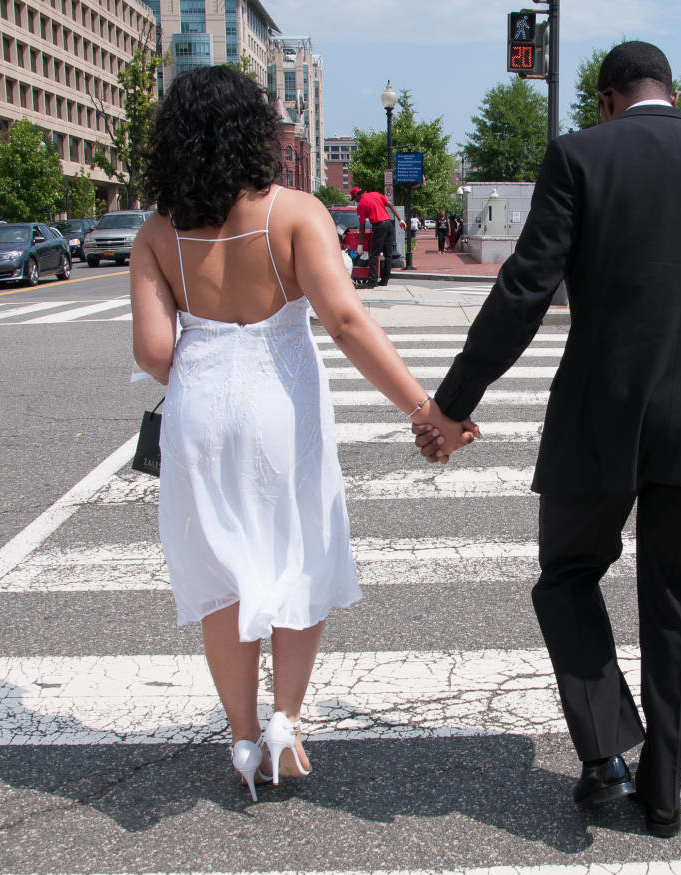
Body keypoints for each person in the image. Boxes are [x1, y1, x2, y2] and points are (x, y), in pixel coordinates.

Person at [412, 41, 681, 838]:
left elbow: (524, 290)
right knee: (680, 600)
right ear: (670, 90)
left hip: (601, 410)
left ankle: (608, 747)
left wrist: (453, 403)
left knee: (569, 575)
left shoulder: (581, 156)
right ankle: (665, 791)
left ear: (609, 98)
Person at [130, 66, 473, 802]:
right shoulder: (295, 213)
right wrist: (424, 409)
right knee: (298, 550)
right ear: (254, 133)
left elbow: (154, 352)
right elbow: (346, 322)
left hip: (200, 401)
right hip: (280, 400)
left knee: (222, 572)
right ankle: (286, 719)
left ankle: (242, 736)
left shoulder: (158, 233)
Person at [350, 185, 402, 286]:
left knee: (374, 254)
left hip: (379, 226)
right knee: (388, 255)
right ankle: (385, 280)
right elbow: (390, 205)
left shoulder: (361, 205)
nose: (356, 201)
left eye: (355, 199)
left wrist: (360, 245)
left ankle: (373, 281)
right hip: (389, 225)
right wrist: (400, 219)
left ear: (357, 196)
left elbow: (362, 226)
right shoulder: (376, 194)